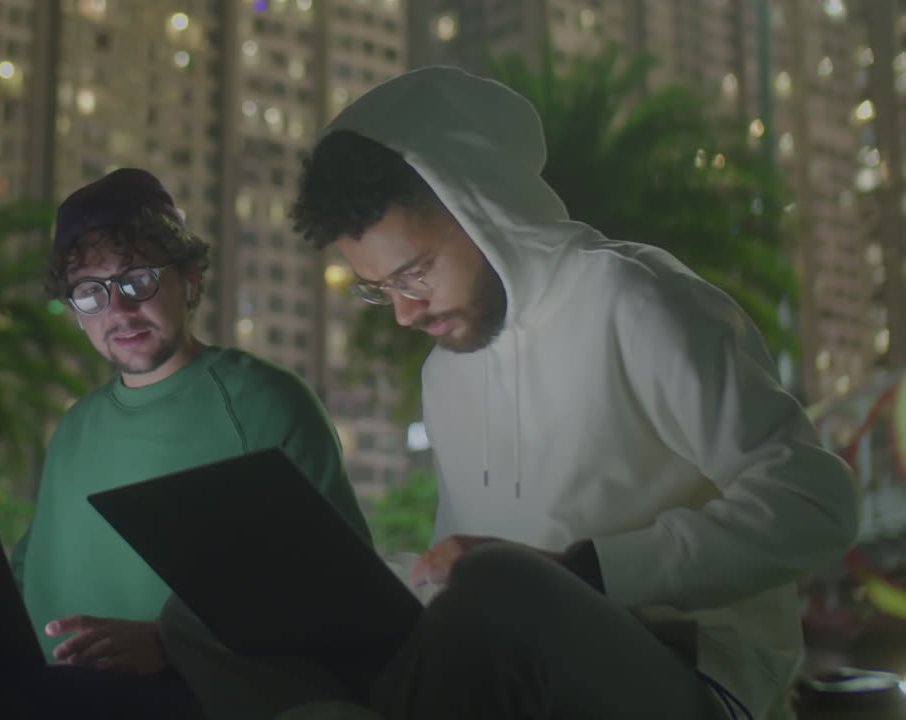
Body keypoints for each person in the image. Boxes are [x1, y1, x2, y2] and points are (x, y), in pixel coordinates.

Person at [159, 67, 860, 720]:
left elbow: (814, 501)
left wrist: (585, 571)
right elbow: (461, 577)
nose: (407, 311)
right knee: (201, 614)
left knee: (499, 586)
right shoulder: (448, 372)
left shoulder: (633, 299)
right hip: (503, 652)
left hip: (689, 675)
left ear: (485, 209)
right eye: (382, 292)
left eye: (416, 272)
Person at [0, 168, 370, 720]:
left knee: (28, 700)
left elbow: (337, 597)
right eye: (89, 293)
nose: (118, 308)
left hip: (188, 689)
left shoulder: (264, 403)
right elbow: (26, 577)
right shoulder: (75, 428)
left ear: (190, 276)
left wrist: (171, 643)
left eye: (137, 278)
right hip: (45, 679)